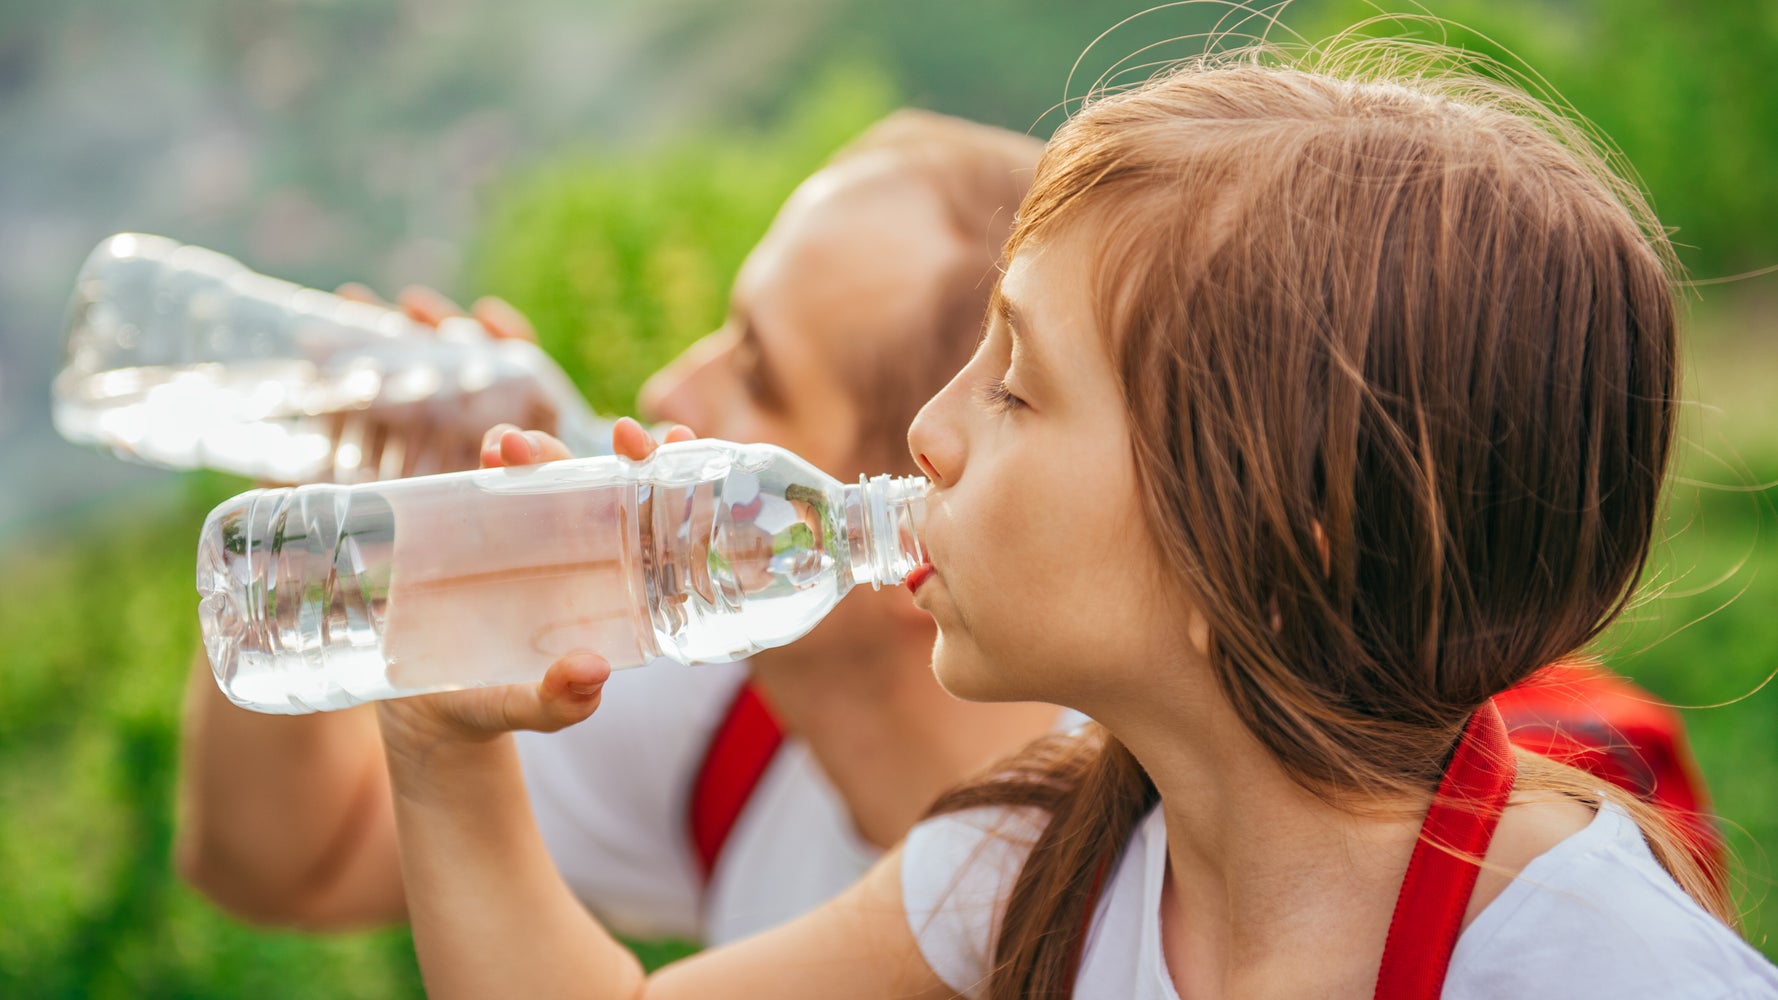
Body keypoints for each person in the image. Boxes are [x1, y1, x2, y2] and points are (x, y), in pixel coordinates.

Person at [370, 37, 1778, 1000]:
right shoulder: (1039, 862)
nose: (926, 431)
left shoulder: (1588, 964)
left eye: (1018, 388)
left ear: (1269, 547)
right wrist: (441, 746)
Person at [174, 109, 1063, 940]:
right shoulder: (727, 721)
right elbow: (284, 867)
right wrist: (330, 503)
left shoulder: (1074, 900)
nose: (665, 392)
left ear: (922, 528)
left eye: (757, 373)